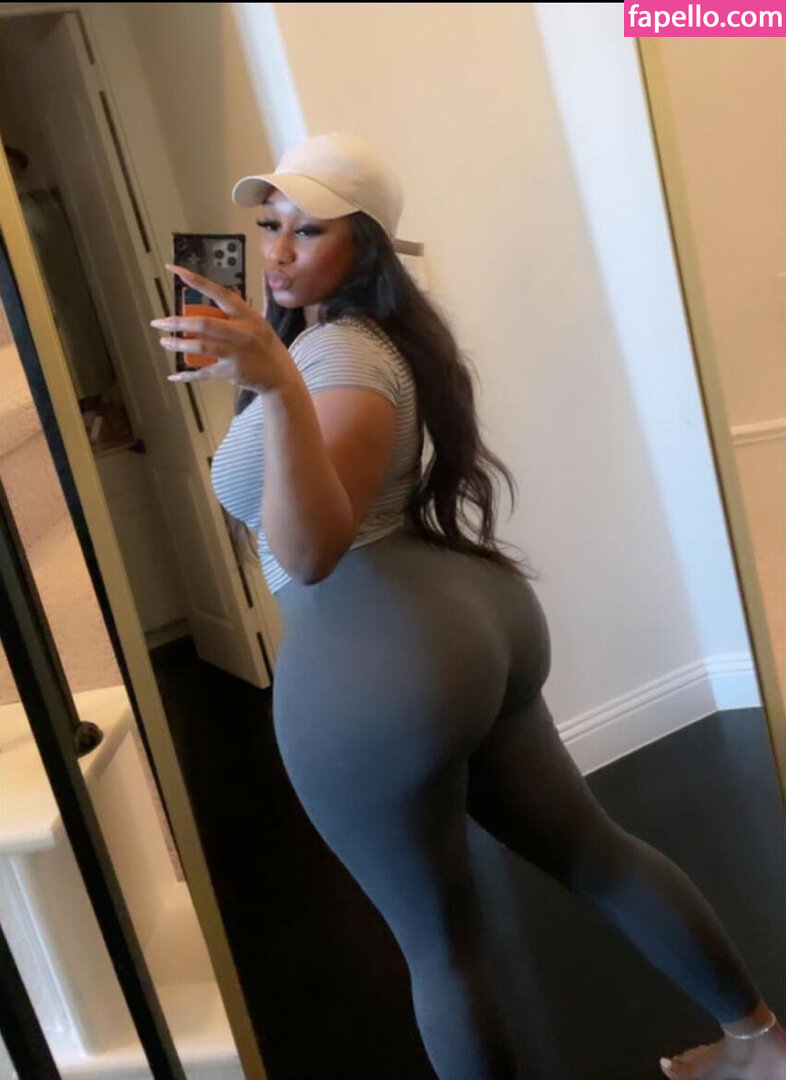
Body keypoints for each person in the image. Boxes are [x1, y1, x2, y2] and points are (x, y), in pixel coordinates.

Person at [151, 132, 785, 1080]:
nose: (277, 249)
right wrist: (268, 378)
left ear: (365, 246)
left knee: (441, 947)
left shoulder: (338, 360)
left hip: (382, 660)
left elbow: (311, 553)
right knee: (594, 850)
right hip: (472, 619)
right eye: (270, 224)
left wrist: (275, 388)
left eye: (309, 229)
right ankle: (765, 1045)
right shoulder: (354, 344)